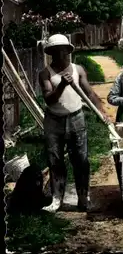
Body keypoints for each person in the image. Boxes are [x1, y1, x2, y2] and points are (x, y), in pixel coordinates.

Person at [38, 34, 107, 212]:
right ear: (51, 53)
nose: (61, 55)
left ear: (68, 51)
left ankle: (83, 198)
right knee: (55, 160)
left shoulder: (78, 69)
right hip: (54, 121)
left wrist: (101, 111)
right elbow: (49, 100)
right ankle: (56, 199)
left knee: (81, 160)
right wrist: (61, 85)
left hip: (76, 118)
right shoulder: (46, 73)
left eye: (64, 51)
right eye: (57, 52)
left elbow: (90, 94)